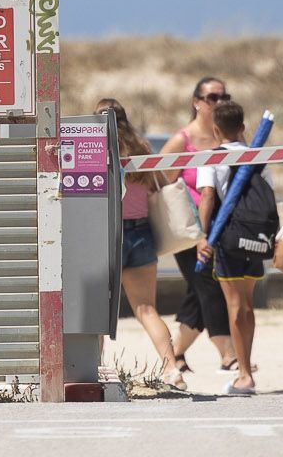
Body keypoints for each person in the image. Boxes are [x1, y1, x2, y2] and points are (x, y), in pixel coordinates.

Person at [96, 98, 184, 391]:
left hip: (108, 233)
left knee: (97, 309)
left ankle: (94, 369)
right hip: (142, 232)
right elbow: (158, 180)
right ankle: (172, 369)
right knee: (147, 309)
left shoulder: (95, 148)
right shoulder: (141, 147)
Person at [160, 77, 237, 376]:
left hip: (223, 227)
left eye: (224, 96)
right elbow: (160, 180)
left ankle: (175, 354)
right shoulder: (183, 140)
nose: (219, 102)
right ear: (196, 102)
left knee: (199, 291)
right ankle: (228, 354)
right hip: (191, 230)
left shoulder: (226, 138)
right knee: (208, 287)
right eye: (212, 97)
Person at [194, 98, 270, 395]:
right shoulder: (259, 155)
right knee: (248, 306)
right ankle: (246, 367)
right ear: (243, 127)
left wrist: (204, 235)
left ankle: (245, 374)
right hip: (254, 236)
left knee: (235, 308)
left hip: (227, 237)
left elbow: (208, 197)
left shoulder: (211, 157)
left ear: (215, 129)